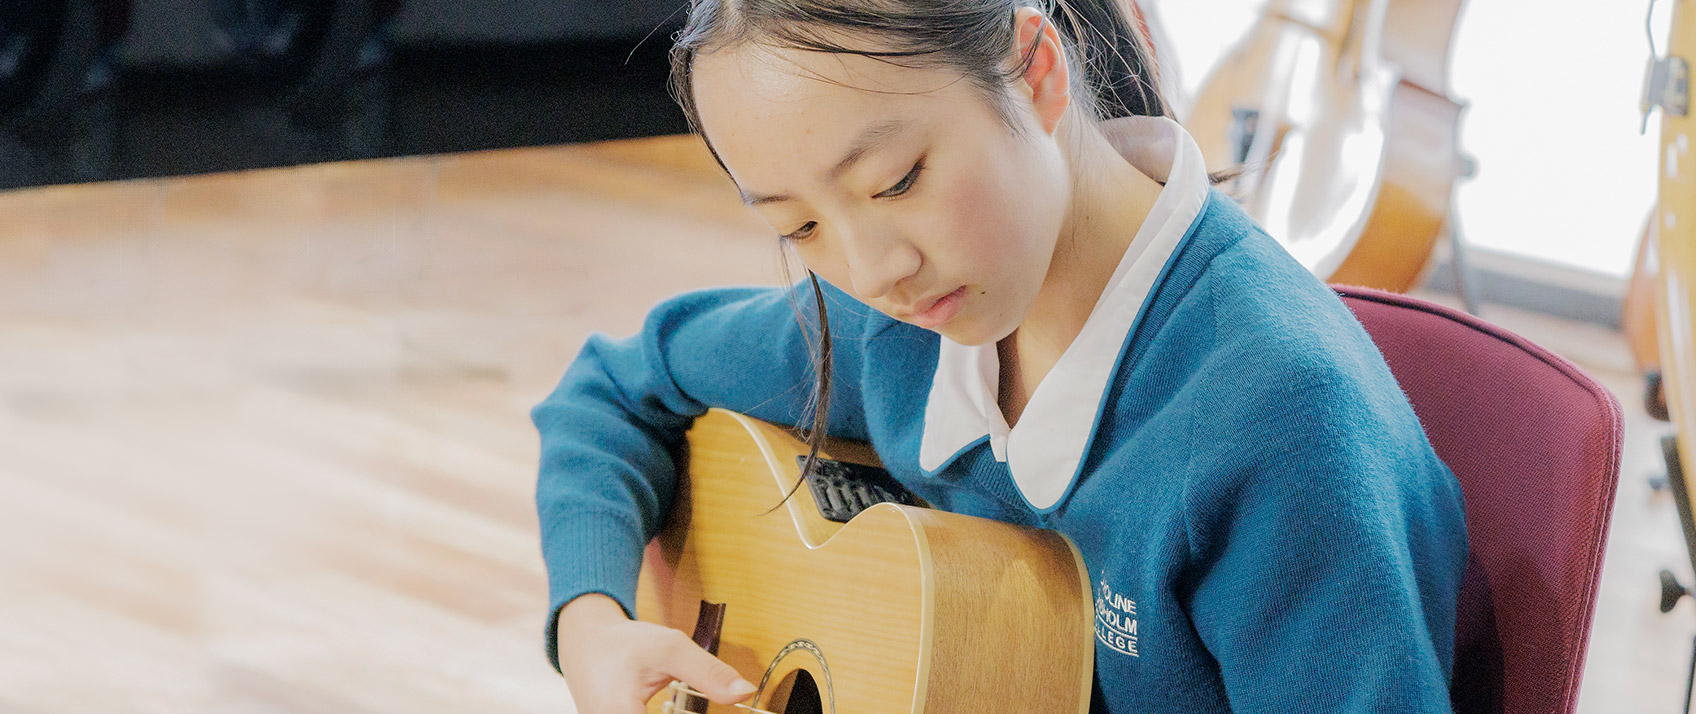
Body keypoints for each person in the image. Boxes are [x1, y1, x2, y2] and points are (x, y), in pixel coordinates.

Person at [530, 1, 1468, 712]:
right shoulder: (898, 327)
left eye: (897, 181)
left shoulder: (1277, 428)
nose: (871, 269)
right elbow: (614, 390)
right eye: (802, 225)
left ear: (1035, 70)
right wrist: (591, 628)